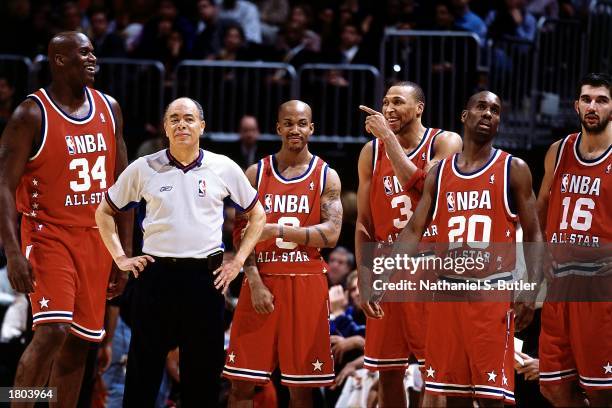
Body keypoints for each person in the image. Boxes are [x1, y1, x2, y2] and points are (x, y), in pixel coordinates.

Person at [95, 97, 266, 406]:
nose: (181, 124)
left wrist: (238, 261)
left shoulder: (223, 167)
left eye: (188, 118)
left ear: (202, 126)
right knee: (142, 375)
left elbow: (258, 215)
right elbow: (104, 212)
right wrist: (120, 258)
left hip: (206, 279)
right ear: (165, 127)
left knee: (201, 379)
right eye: (174, 118)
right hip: (155, 276)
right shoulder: (143, 167)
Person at [0, 31, 130, 407]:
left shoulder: (110, 109)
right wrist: (12, 252)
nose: (93, 60)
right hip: (48, 234)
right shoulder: (30, 114)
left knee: (79, 345)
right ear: (59, 60)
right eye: (84, 53)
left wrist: (122, 252)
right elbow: (4, 186)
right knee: (53, 331)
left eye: (94, 53)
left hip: (96, 239)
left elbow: (121, 188)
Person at [391, 90, 542, 406]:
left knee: (491, 399)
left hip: (490, 297)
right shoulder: (440, 171)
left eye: (496, 110)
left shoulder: (514, 169)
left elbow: (533, 234)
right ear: (464, 116)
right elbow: (415, 227)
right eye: (482, 107)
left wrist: (531, 289)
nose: (489, 114)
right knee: (454, 397)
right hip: (447, 297)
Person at [224, 100, 343, 407]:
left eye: (302, 123)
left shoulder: (326, 176)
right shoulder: (255, 174)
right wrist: (254, 280)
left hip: (306, 283)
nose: (295, 129)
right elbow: (240, 233)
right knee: (241, 385)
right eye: (288, 123)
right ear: (278, 128)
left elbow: (331, 235)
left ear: (311, 129)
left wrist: (277, 230)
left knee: (301, 388)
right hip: (261, 279)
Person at [355, 81, 462, 407]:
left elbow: (424, 195)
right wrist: (364, 275)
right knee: (388, 372)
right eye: (385, 102)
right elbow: (363, 222)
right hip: (388, 267)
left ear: (419, 108)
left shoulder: (445, 142)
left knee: (438, 374)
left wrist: (388, 139)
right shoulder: (369, 153)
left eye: (398, 102)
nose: (388, 109)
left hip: (431, 265)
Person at [536, 72, 612, 407]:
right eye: (586, 99)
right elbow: (538, 210)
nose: (592, 106)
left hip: (599, 291)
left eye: (601, 100)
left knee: (601, 390)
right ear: (576, 106)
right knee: (551, 386)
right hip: (559, 287)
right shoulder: (559, 150)